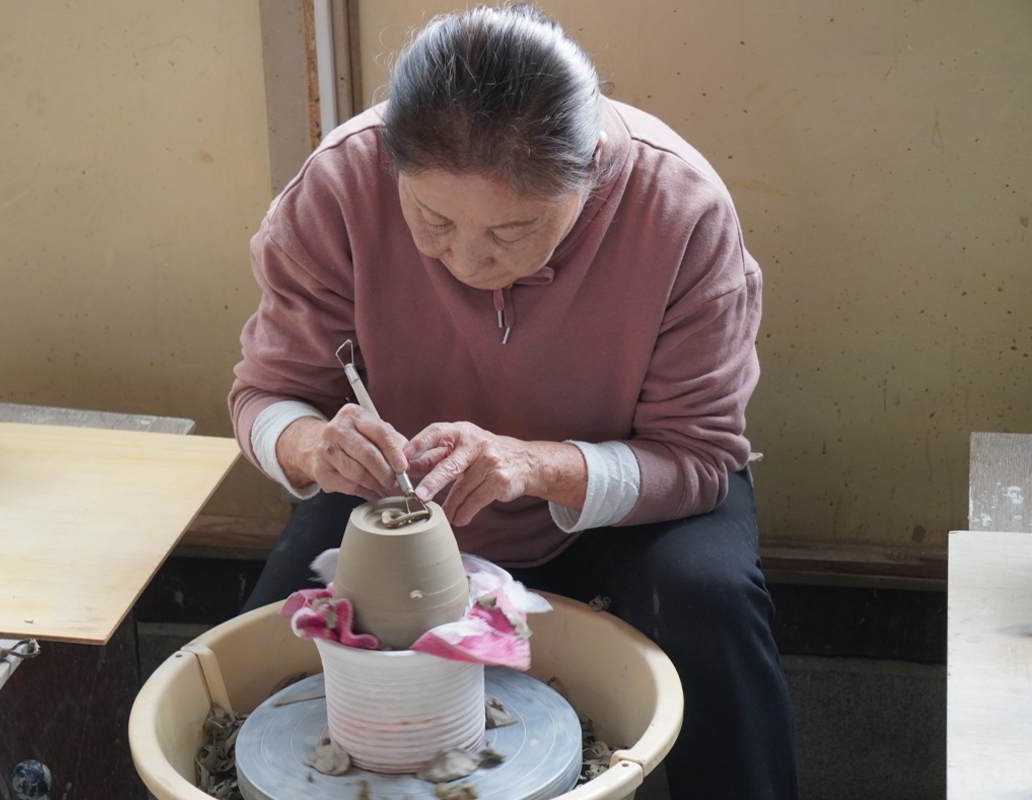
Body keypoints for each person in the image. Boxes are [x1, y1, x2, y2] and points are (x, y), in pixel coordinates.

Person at [229, 5, 797, 798]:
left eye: (513, 230)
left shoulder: (679, 208)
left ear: (591, 168)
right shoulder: (341, 182)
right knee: (259, 669)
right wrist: (311, 446)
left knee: (708, 599)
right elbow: (265, 395)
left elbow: (698, 457)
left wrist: (534, 466)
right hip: (405, 497)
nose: (467, 260)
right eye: (432, 219)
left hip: (625, 496)